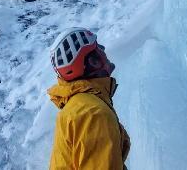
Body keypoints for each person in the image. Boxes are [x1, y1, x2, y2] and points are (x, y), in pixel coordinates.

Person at [48, 27, 130, 170]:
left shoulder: (77, 106)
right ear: (94, 61)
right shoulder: (92, 114)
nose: (104, 50)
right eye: (98, 48)